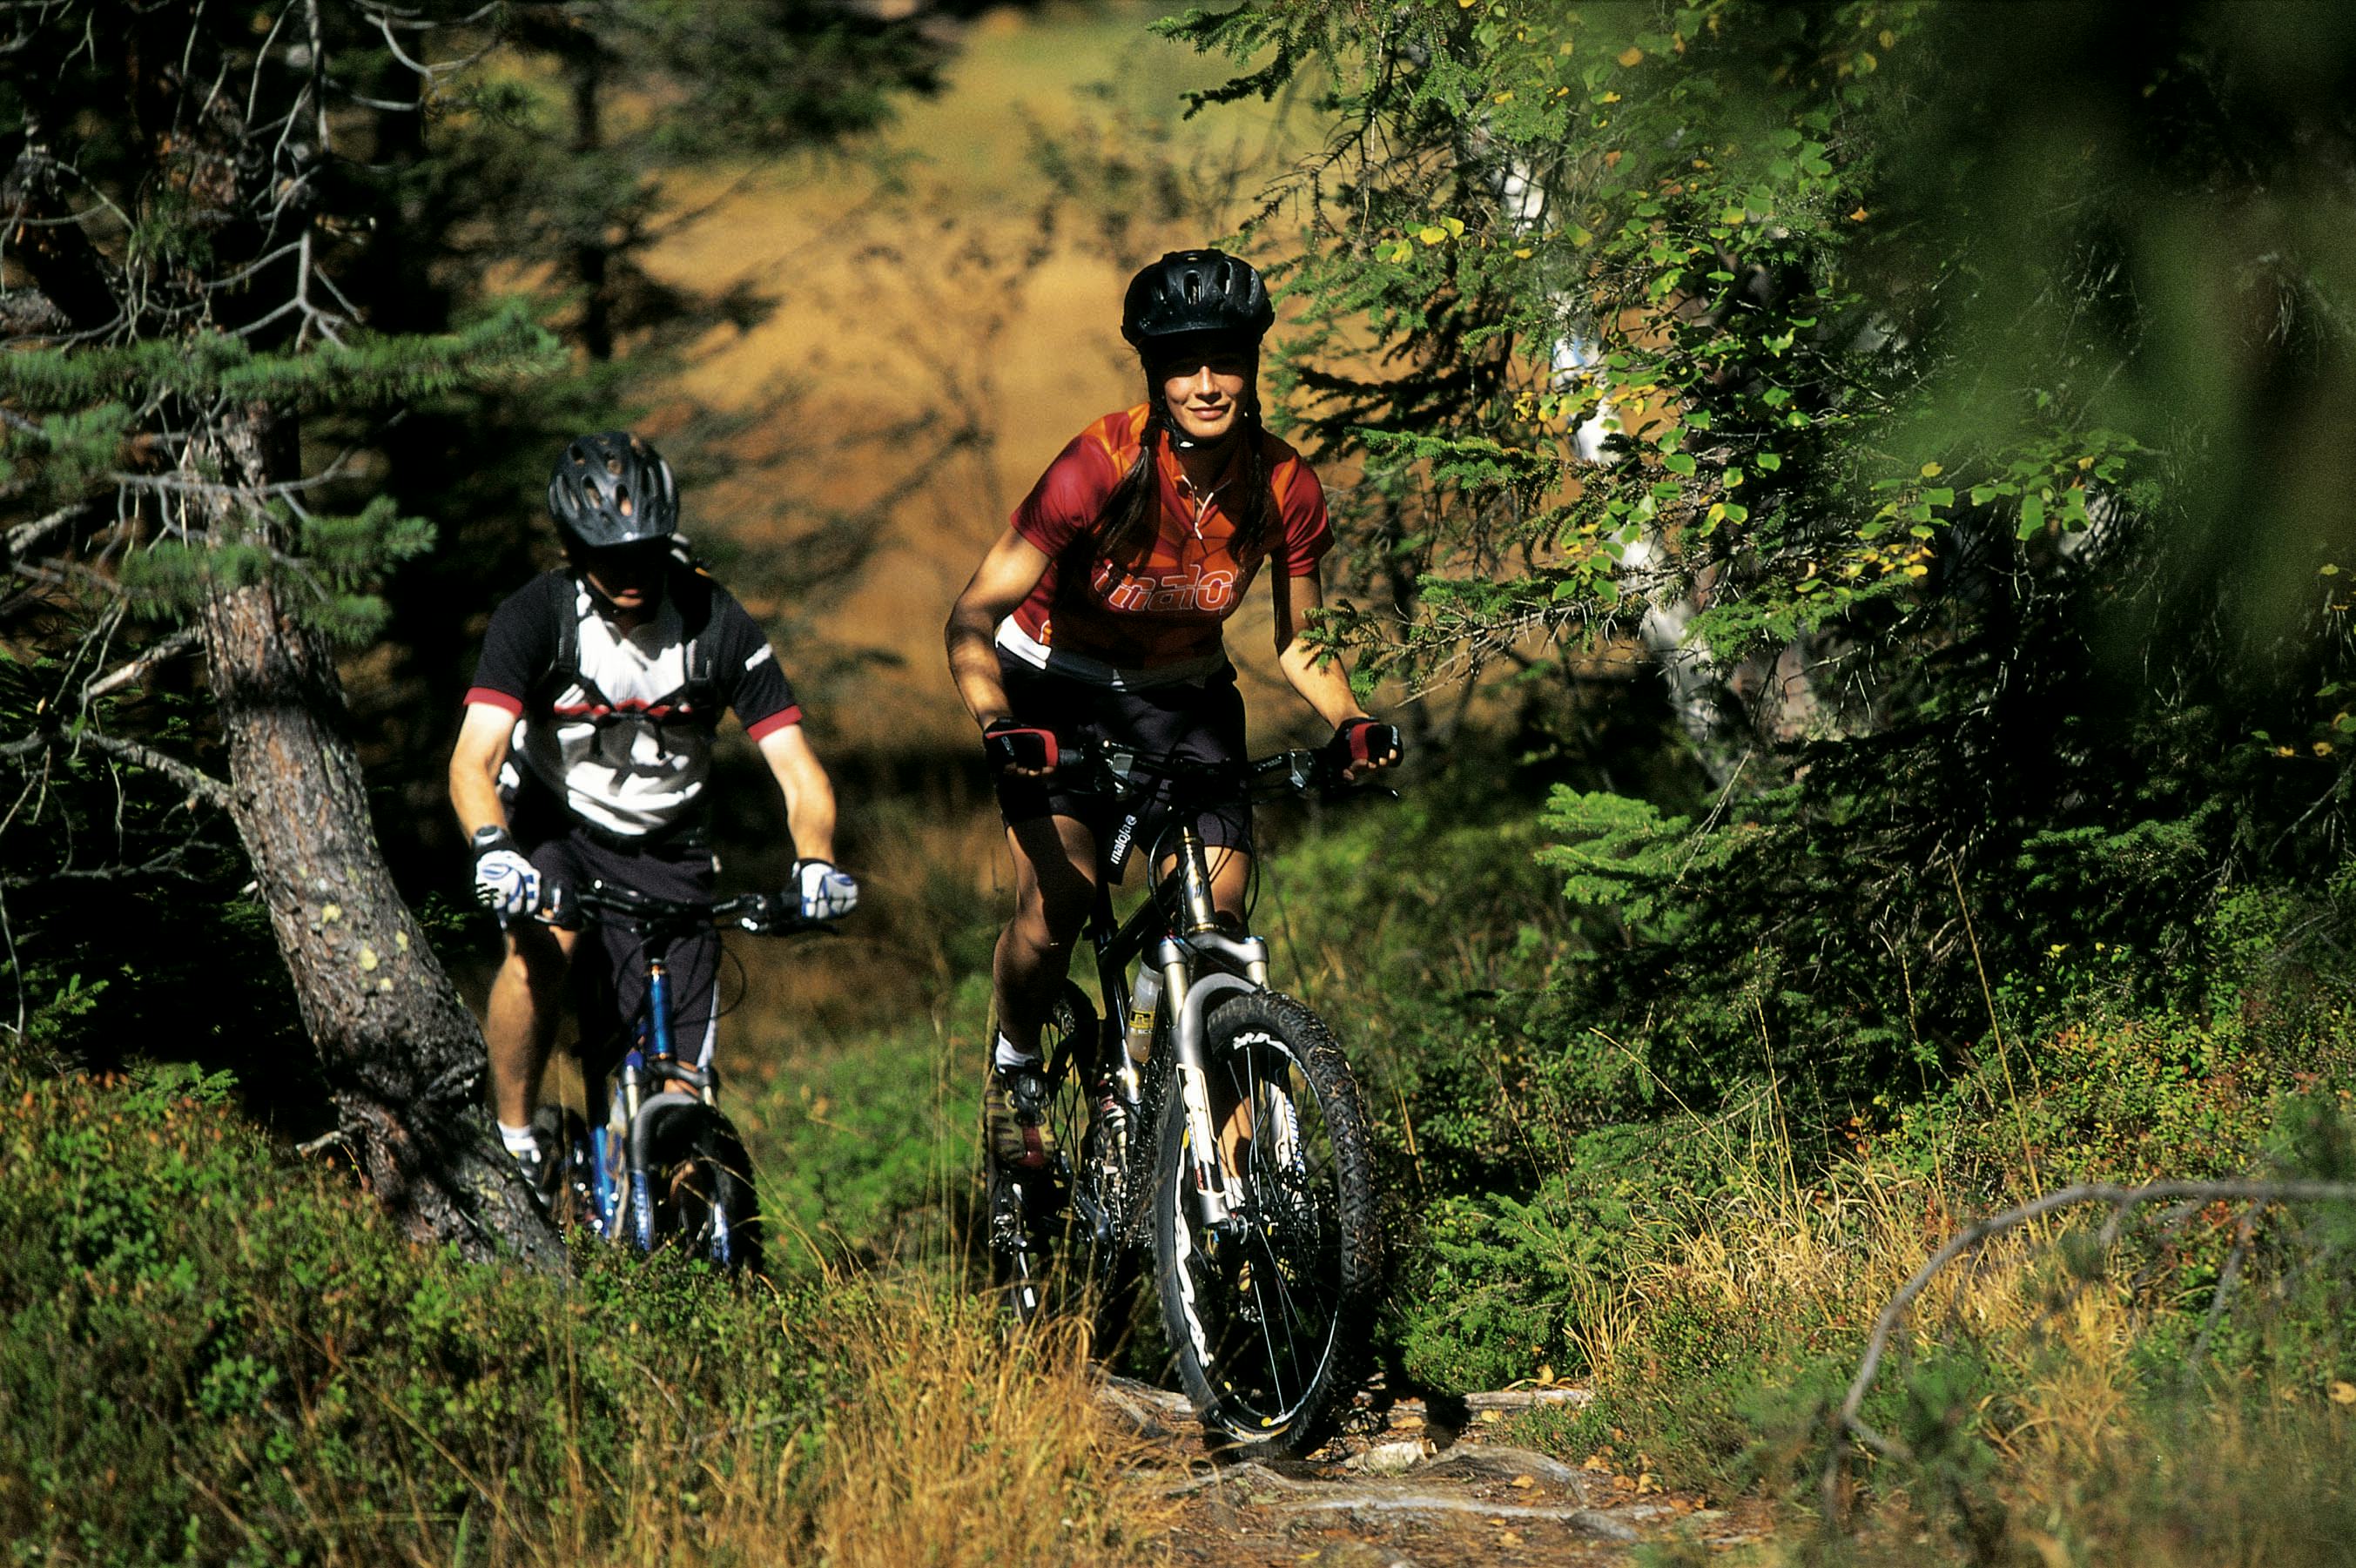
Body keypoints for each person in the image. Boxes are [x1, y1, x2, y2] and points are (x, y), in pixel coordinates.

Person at [944, 248, 1400, 1174]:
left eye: (1224, 360)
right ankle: (1018, 1071)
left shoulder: (1282, 486)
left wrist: (1349, 720)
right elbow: (972, 615)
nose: (1205, 383)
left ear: (1251, 364)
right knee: (1058, 901)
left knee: (1219, 923)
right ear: (1153, 374)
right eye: (1182, 364)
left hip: (1185, 701)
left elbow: (1300, 641)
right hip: (1054, 689)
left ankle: (1226, 1191)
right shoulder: (1100, 464)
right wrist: (1002, 724)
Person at [449, 430, 858, 1188]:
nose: (631, 572)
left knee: (684, 1095)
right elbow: (472, 760)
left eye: (644, 549)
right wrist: (492, 847)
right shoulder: (536, 616)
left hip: (670, 843)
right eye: (609, 556)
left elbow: (800, 772)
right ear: (574, 548)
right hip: (554, 822)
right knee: (544, 946)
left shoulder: (717, 622)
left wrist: (816, 862)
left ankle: (679, 1207)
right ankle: (511, 1142)